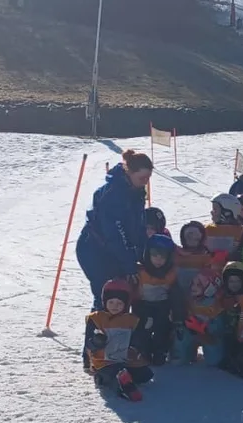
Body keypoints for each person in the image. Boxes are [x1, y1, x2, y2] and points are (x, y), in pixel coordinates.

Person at [76, 150, 152, 309]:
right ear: (129, 173)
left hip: (115, 250)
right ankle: (98, 323)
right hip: (94, 249)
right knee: (109, 295)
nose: (145, 182)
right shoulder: (113, 195)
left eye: (148, 178)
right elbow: (115, 234)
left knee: (123, 296)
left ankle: (121, 325)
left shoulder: (136, 191)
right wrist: (129, 263)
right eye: (142, 178)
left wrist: (145, 251)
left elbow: (137, 225)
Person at [84, 279, 153, 402]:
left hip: (124, 358)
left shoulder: (131, 320)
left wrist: (135, 347)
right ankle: (119, 384)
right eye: (111, 302)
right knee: (112, 372)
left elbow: (137, 338)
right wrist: (96, 342)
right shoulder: (96, 319)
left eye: (119, 303)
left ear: (125, 304)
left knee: (145, 375)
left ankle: (125, 377)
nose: (114, 306)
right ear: (105, 301)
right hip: (104, 361)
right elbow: (88, 344)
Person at [135, 232, 182, 365]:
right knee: (143, 328)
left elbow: (175, 294)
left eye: (162, 257)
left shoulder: (171, 273)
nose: (158, 260)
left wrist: (177, 314)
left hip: (162, 305)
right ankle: (143, 350)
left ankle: (160, 351)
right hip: (143, 305)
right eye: (154, 255)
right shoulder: (140, 271)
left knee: (162, 328)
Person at [205, 194, 243, 258]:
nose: (211, 212)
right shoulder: (207, 229)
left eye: (215, 209)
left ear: (227, 213)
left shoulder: (242, 231)